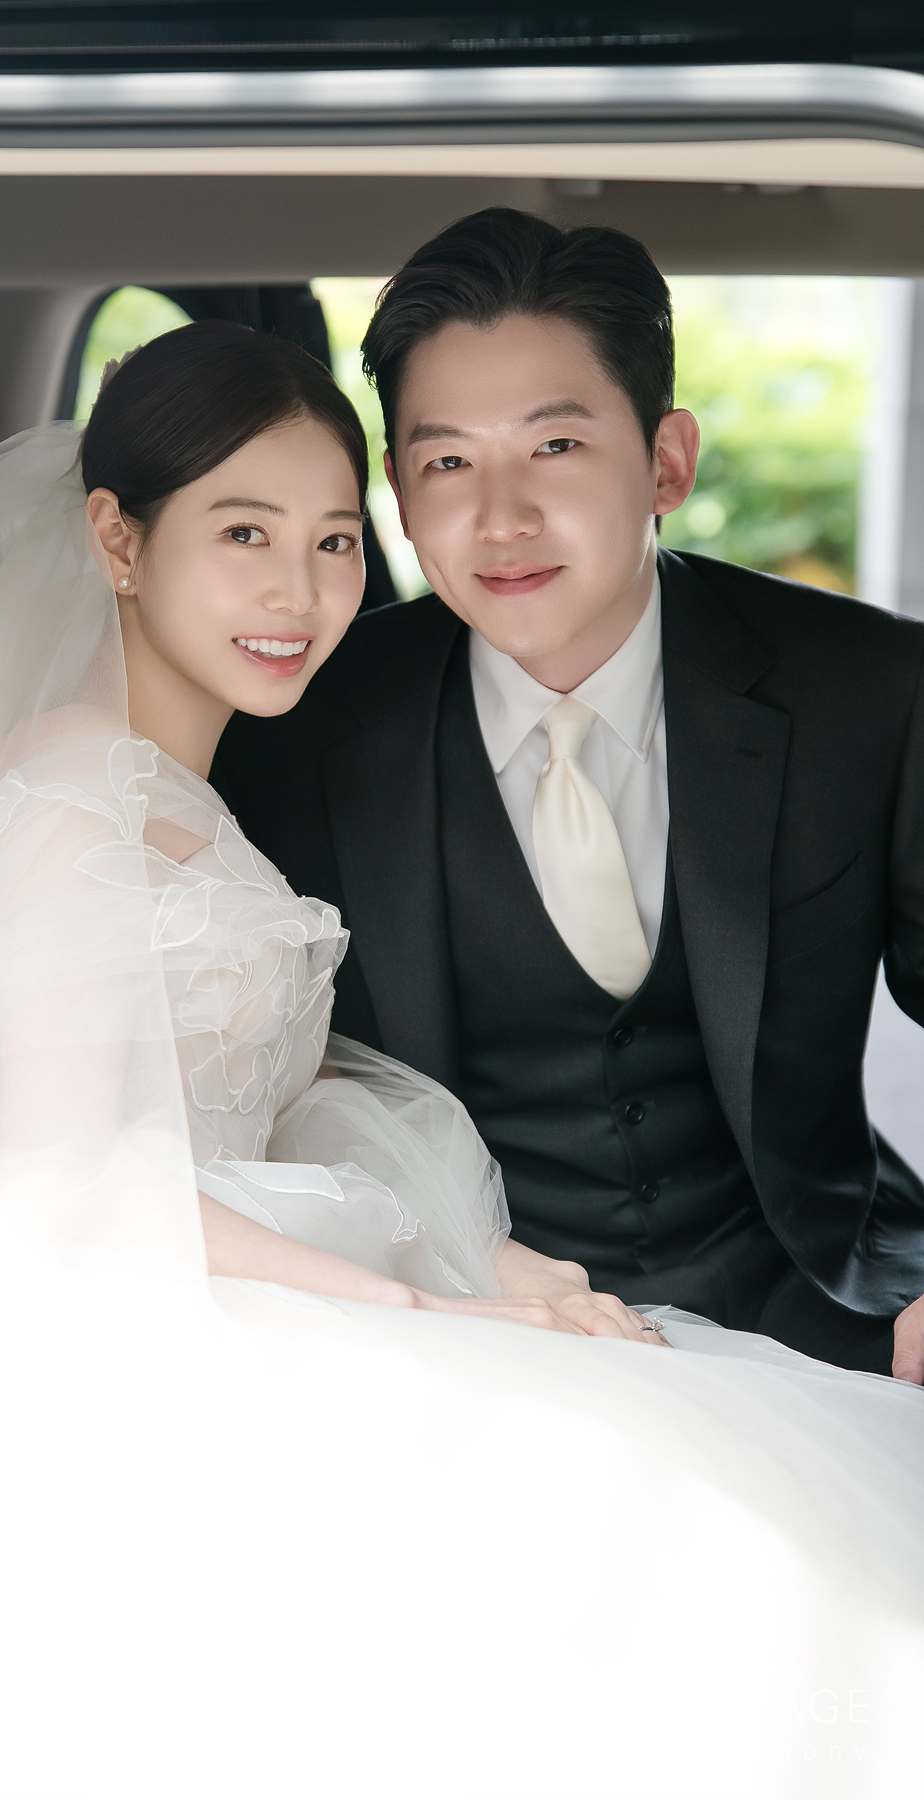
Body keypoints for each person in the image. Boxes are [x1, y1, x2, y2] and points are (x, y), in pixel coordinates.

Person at [0, 319, 920, 1799]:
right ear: (115, 537)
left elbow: (282, 1116)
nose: (300, 595)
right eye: (244, 534)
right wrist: (416, 1301)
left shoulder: (190, 790)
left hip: (243, 1273)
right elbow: (64, 1182)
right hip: (121, 1335)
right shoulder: (60, 809)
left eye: (338, 542)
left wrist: (484, 1265)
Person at [214, 207, 924, 1383]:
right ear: (395, 486)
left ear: (667, 460)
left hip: (830, 1309)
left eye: (554, 448)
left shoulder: (871, 691)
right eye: (447, 461)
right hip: (469, 1334)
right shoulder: (294, 731)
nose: (500, 518)